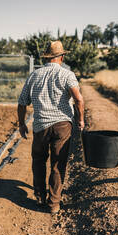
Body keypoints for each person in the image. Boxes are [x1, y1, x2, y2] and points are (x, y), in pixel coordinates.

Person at [18, 40, 84, 214]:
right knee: (58, 163)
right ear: (61, 57)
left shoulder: (34, 75)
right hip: (62, 125)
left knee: (39, 161)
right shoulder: (67, 75)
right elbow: (78, 99)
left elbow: (22, 102)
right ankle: (53, 203)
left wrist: (22, 123)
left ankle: (40, 198)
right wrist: (80, 120)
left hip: (40, 126)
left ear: (47, 57)